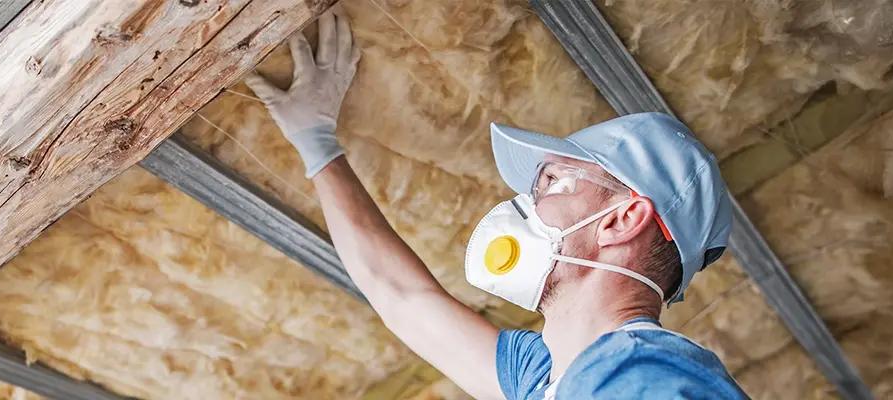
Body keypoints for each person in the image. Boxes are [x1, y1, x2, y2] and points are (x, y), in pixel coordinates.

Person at [243, 9, 747, 399]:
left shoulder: (640, 373)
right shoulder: (549, 377)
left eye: (555, 183)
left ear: (622, 219)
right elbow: (401, 296)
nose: (528, 202)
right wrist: (317, 145)